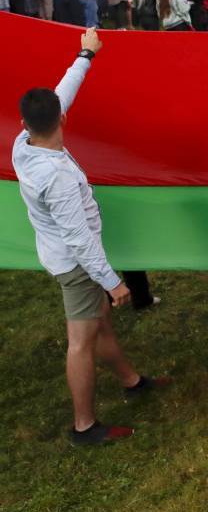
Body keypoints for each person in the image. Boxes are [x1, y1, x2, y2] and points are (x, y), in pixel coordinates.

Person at [13, 28, 170, 445]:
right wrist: (112, 281)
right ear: (61, 120)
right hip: (77, 266)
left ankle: (132, 381)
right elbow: (80, 238)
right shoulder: (58, 178)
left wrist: (85, 54)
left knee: (100, 325)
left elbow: (61, 96)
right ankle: (84, 425)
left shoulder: (22, 144)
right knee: (81, 341)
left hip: (63, 257)